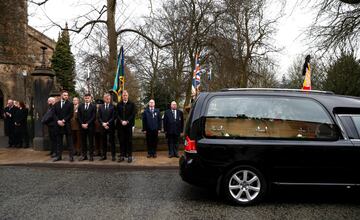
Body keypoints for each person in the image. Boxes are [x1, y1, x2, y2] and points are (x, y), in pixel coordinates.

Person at [53, 90, 75, 162]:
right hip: (58, 125)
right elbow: (54, 114)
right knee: (59, 142)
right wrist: (58, 121)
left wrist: (63, 120)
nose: (66, 96)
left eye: (67, 95)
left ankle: (71, 157)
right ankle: (59, 156)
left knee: (69, 142)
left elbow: (71, 114)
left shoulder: (70, 104)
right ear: (61, 95)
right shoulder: (56, 104)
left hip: (66, 125)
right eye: (65, 95)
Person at [117, 90, 136, 163]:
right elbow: (117, 114)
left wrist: (127, 121)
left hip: (128, 125)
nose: (124, 96)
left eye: (126, 95)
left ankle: (129, 156)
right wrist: (121, 121)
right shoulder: (119, 104)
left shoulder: (132, 104)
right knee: (121, 140)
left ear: (128, 96)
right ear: (122, 96)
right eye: (123, 95)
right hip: (121, 125)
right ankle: (122, 155)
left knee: (129, 141)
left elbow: (133, 114)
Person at [77, 93, 96, 161]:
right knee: (83, 142)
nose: (87, 99)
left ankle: (91, 156)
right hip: (82, 127)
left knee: (91, 141)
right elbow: (78, 116)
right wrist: (82, 123)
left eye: (88, 98)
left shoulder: (93, 106)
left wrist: (87, 123)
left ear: (90, 98)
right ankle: (84, 155)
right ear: (84, 98)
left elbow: (93, 116)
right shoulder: (80, 106)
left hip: (90, 127)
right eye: (86, 98)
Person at [98, 93, 116, 161]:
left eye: (109, 98)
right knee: (103, 142)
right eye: (106, 98)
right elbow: (99, 116)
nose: (108, 100)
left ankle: (113, 156)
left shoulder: (113, 106)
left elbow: (114, 116)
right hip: (103, 127)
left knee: (112, 142)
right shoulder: (101, 107)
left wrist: (107, 123)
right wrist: (103, 123)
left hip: (110, 127)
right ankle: (104, 155)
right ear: (104, 99)